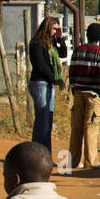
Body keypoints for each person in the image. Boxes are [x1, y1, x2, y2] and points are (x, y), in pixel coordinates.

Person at [67, 22, 100, 169]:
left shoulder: (77, 51)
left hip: (78, 93)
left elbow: (71, 72)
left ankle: (72, 161)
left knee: (76, 128)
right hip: (93, 95)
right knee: (90, 127)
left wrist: (73, 89)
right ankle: (91, 162)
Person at [27, 17, 66, 152]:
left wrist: (61, 39)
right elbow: (40, 66)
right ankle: (37, 154)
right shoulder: (37, 43)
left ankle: (46, 155)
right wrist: (55, 79)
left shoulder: (51, 44)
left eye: (57, 29)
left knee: (47, 123)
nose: (56, 32)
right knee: (42, 122)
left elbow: (63, 53)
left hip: (48, 83)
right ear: (47, 27)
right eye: (54, 29)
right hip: (39, 83)